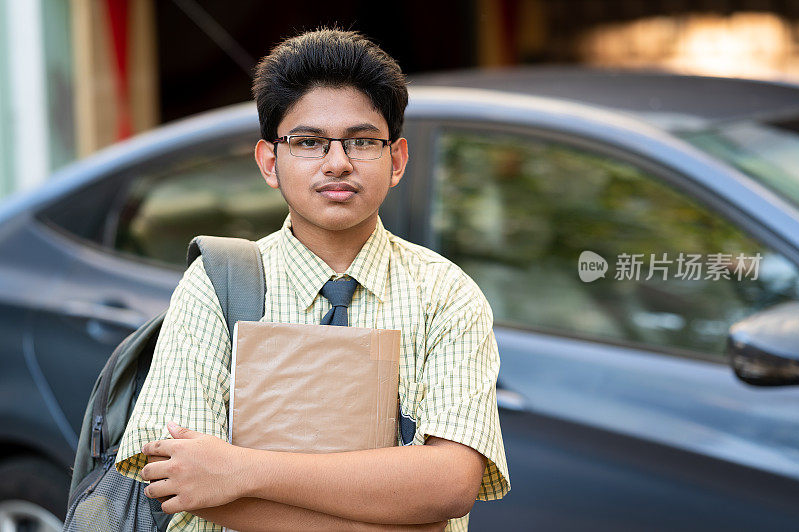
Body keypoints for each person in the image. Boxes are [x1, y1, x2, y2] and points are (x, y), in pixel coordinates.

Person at [115, 27, 509, 531]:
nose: (338, 162)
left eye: (363, 141)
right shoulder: (217, 284)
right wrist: (399, 515)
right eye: (308, 142)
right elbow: (178, 477)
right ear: (269, 162)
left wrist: (243, 470)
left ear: (398, 160)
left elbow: (450, 483)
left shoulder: (446, 294)